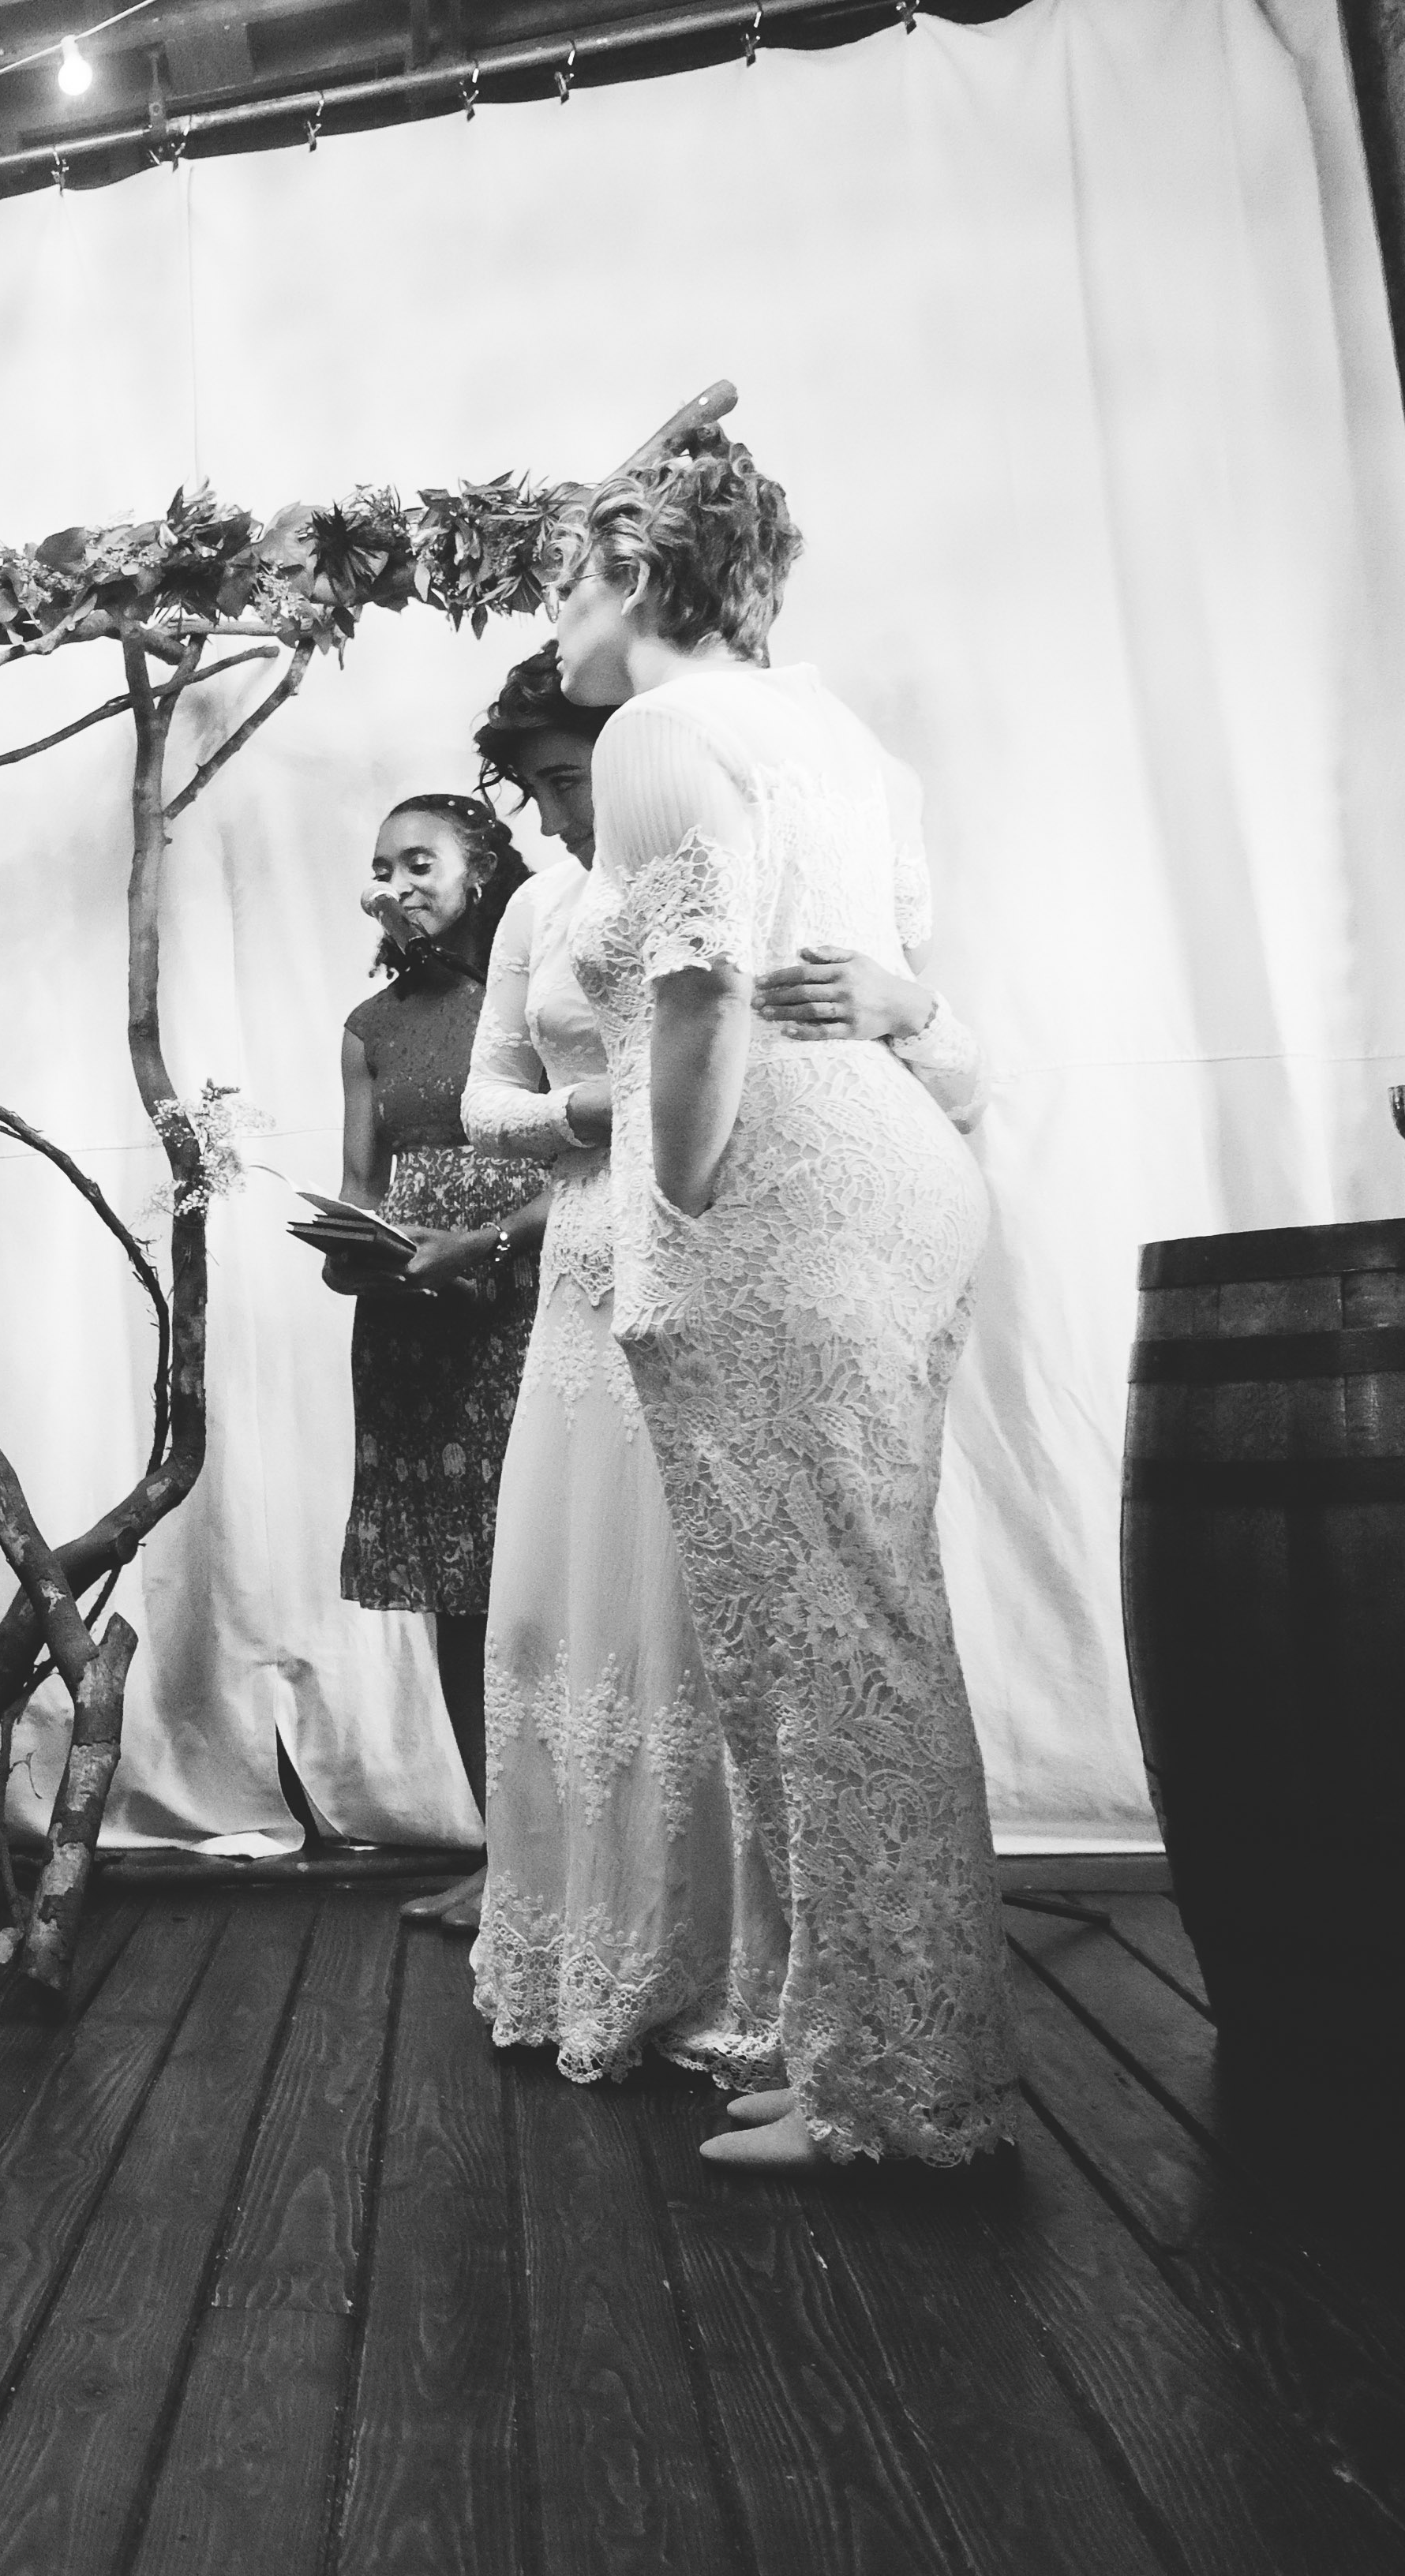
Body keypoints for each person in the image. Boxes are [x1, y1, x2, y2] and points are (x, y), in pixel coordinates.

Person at [552, 436, 1010, 2170]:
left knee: (827, 1653)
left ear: (640, 579)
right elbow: (892, 983)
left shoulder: (656, 733)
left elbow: (698, 990)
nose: (554, 621)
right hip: (897, 1178)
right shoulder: (839, 737)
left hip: (781, 1208)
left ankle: (890, 2096)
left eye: (568, 584)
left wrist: (675, 1208)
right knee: (848, 1632)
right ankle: (861, 2044)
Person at [463, 649, 985, 2091]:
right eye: (532, 790)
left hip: (715, 1240)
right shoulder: (538, 909)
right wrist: (589, 1112)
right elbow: (480, 1103)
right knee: (572, 1613)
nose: (558, 813)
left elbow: (917, 1066)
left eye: (566, 778)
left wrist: (903, 1012)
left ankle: (763, 1976)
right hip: (583, 1262)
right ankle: (593, 1934)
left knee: (722, 1628)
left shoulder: (760, 851)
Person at [319, 796, 546, 1931]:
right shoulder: (370, 1025)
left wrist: (485, 1245)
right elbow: (358, 1190)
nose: (398, 883)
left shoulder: (541, 997)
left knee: (553, 1582)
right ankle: (509, 1863)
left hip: (536, 1305)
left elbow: (606, 1159)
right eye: (383, 865)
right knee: (460, 1596)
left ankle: (584, 1866)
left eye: (421, 862)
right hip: (416, 1333)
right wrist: (353, 1256)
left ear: (482, 872)